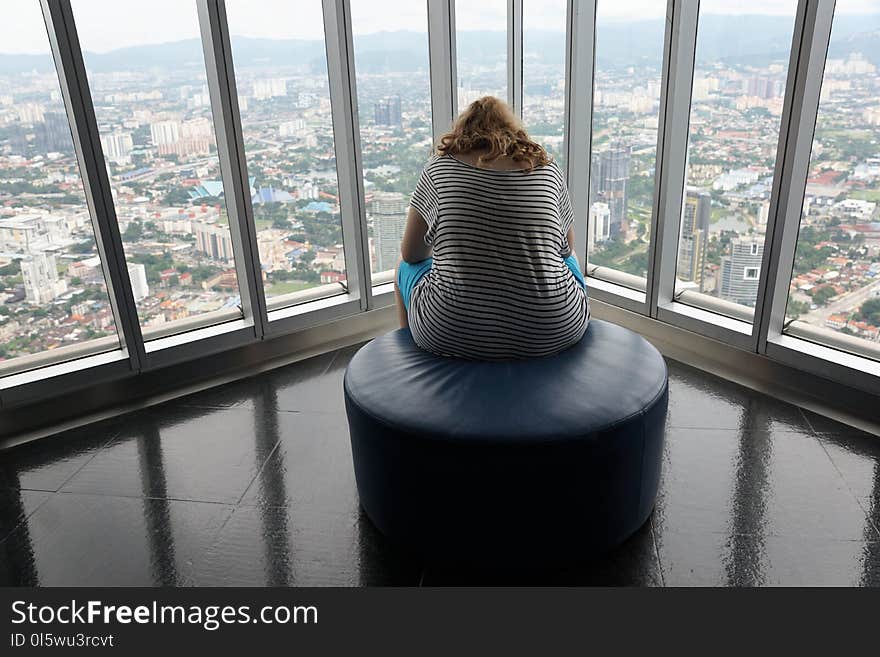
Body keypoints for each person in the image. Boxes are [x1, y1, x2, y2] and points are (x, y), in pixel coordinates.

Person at [395, 96, 589, 360]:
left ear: (462, 130)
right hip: (555, 328)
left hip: (448, 332)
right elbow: (566, 249)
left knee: (402, 267)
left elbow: (411, 254)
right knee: (571, 260)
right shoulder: (546, 168)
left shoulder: (439, 169)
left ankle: (410, 355)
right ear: (513, 129)